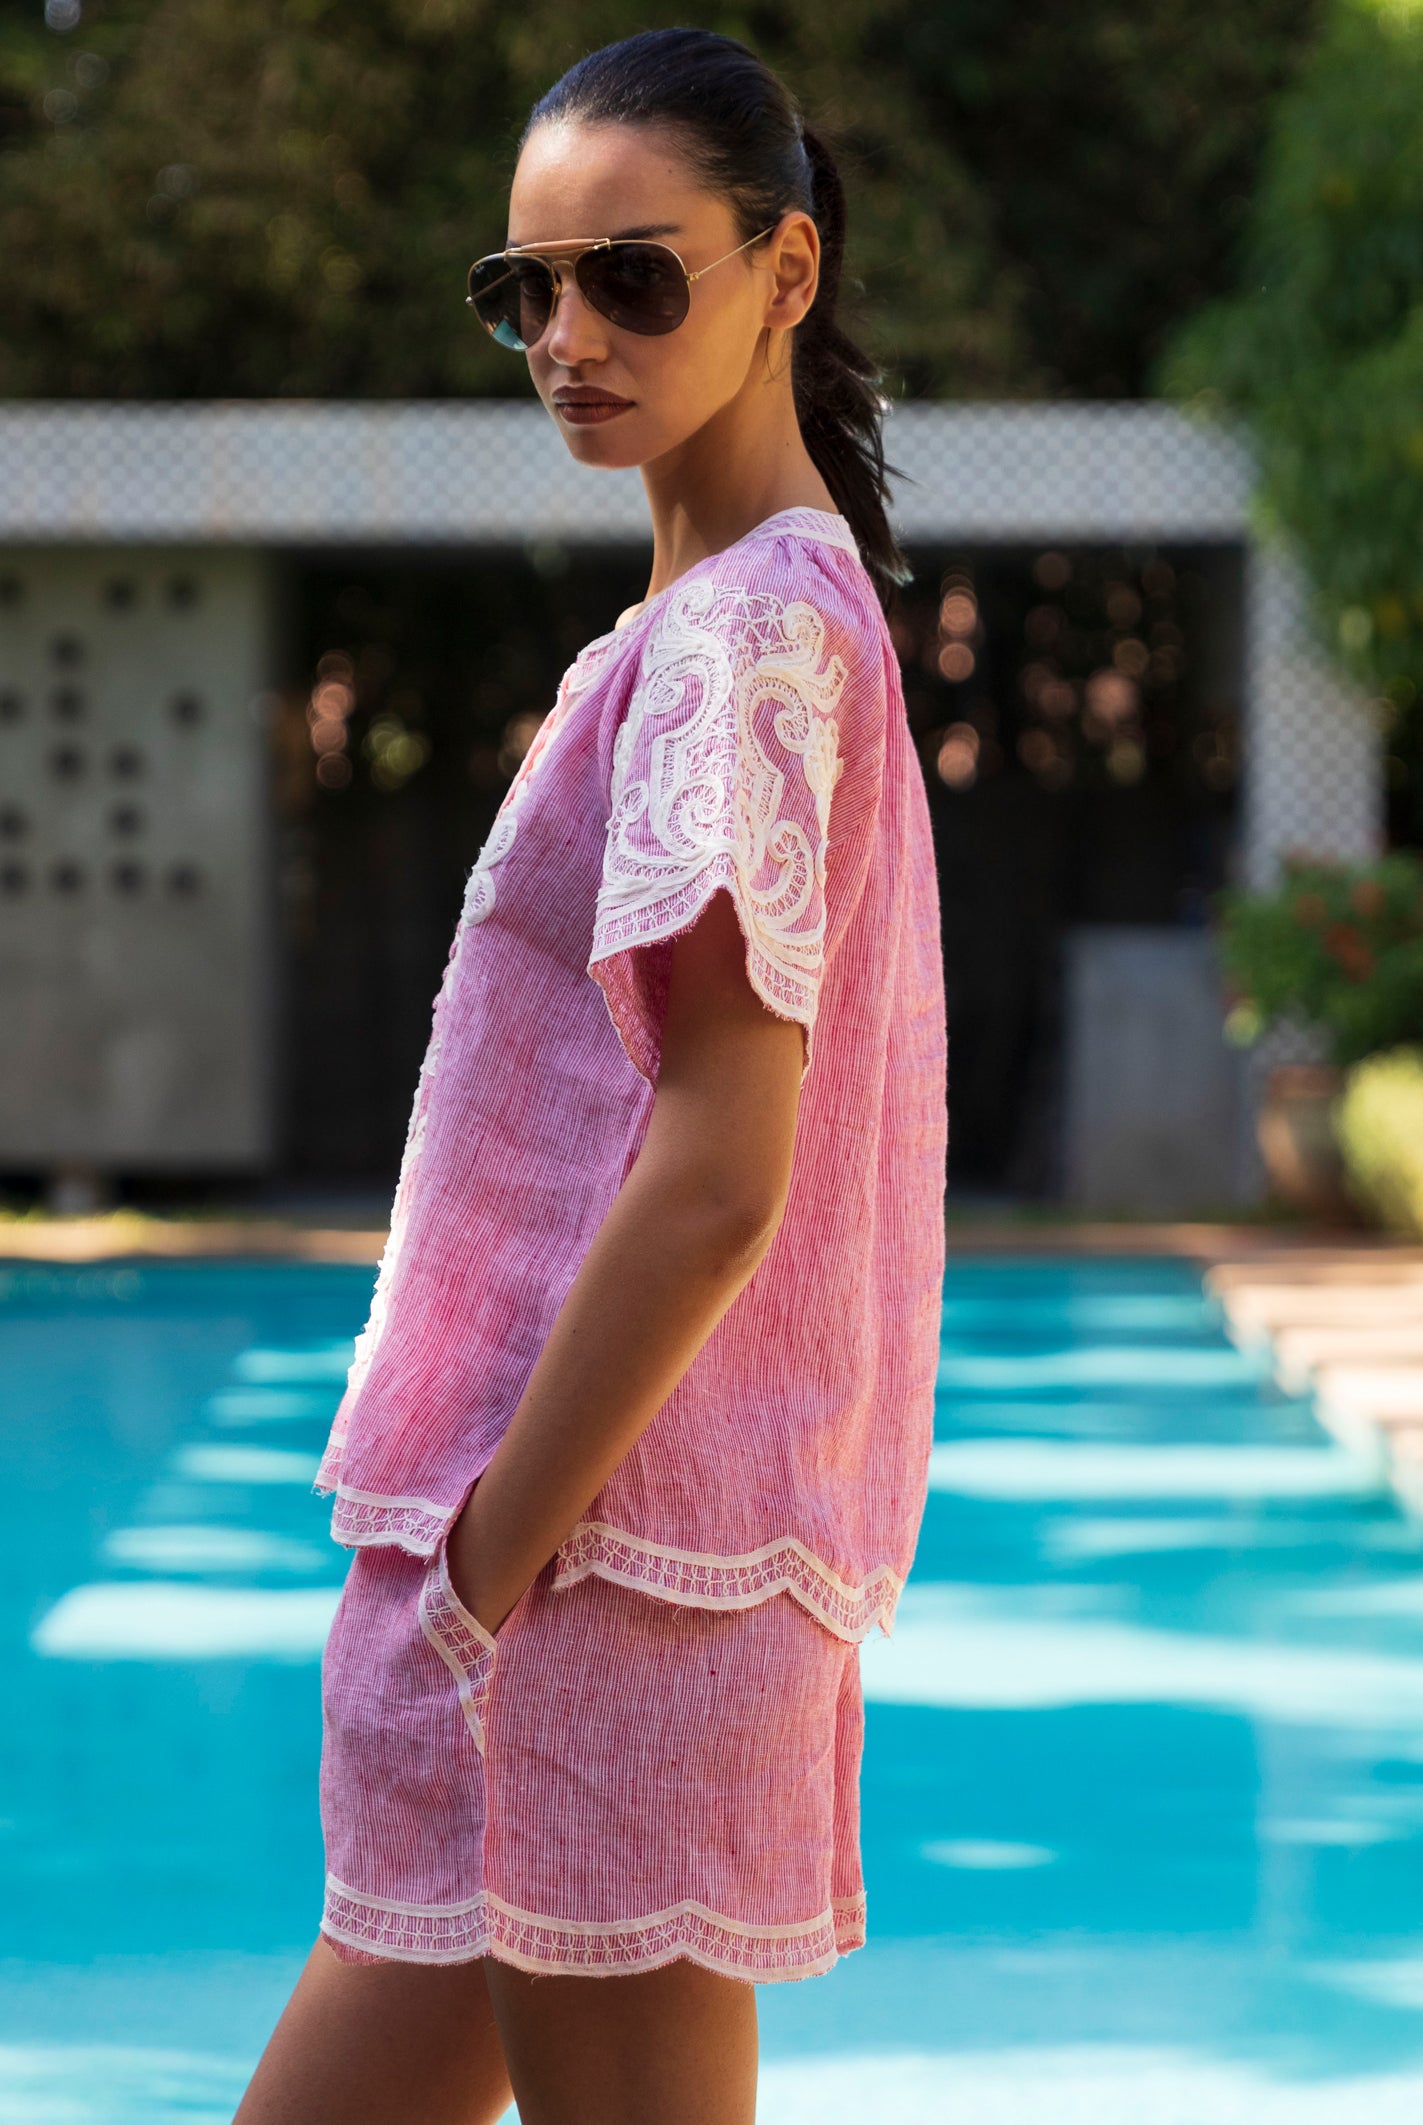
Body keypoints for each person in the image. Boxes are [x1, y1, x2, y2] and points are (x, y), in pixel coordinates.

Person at [236, 26, 946, 2125]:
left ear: (785, 273)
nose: (568, 337)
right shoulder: (740, 617)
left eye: (633, 277)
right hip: (577, 1572)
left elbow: (724, 1170)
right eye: (524, 289)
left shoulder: (745, 640)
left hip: (601, 1577)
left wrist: (482, 1566)